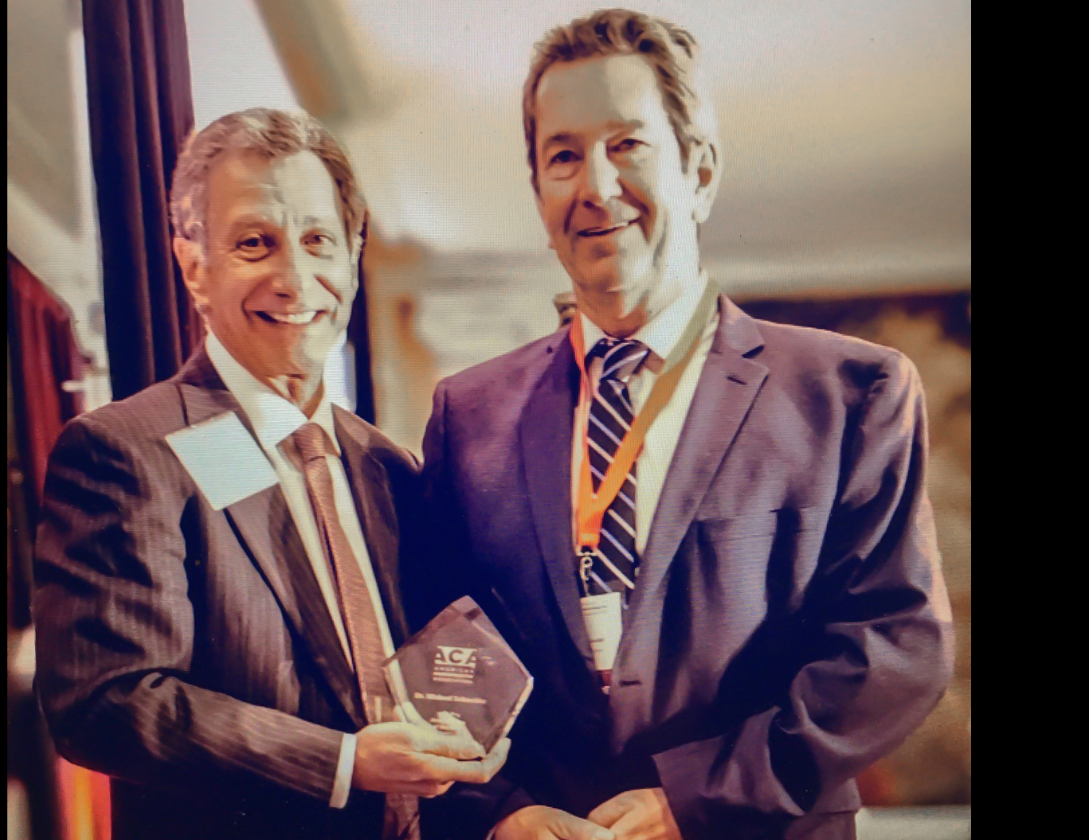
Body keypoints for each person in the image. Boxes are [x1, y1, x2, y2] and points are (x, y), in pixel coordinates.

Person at [409, 10, 954, 840]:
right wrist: (502, 812)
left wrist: (692, 800)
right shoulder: (468, 413)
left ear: (699, 172)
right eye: (563, 155)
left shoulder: (852, 394)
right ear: (539, 193)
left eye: (627, 144)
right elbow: (439, 651)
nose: (595, 185)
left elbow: (892, 647)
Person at [32, 108, 507, 840]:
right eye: (255, 243)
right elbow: (107, 702)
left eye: (319, 240)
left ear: (352, 254)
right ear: (194, 267)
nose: (294, 279)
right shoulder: (125, 450)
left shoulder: (391, 466)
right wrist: (342, 762)